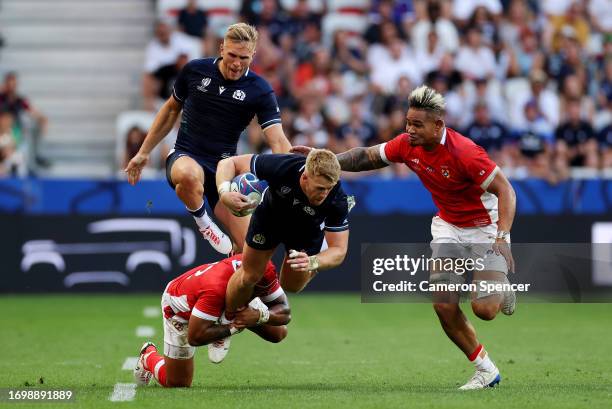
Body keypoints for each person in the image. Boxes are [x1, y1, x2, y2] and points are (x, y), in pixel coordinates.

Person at [292, 85, 517, 390]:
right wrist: (328, 159)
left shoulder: (465, 152)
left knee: (485, 310)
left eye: (417, 124)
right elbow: (367, 157)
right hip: (448, 227)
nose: (409, 130)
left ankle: (500, 287)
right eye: (408, 123)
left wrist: (502, 237)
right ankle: (485, 370)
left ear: (438, 125)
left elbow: (506, 190)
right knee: (443, 303)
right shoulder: (407, 145)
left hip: (486, 228)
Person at [126, 23, 292, 255]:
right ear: (222, 48)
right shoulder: (195, 71)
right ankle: (205, 225)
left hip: (224, 170)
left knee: (250, 252)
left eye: (243, 58)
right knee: (189, 176)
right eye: (232, 55)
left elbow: (278, 140)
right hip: (186, 155)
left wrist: (292, 179)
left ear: (253, 55)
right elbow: (170, 110)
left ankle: (234, 280)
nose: (236, 63)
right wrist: (143, 152)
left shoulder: (260, 90)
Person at [217, 149, 351, 313]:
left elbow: (339, 250)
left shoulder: (338, 199)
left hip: (305, 234)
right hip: (269, 220)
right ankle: (225, 318)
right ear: (305, 177)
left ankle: (317, 252)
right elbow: (228, 163)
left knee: (291, 286)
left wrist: (313, 262)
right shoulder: (285, 166)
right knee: (250, 275)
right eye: (320, 188)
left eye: (329, 188)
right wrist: (224, 193)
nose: (325, 194)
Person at [133, 254, 290, 388]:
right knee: (178, 383)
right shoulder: (214, 289)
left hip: (231, 299)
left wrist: (259, 316)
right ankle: (148, 357)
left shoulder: (264, 268)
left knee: (278, 332)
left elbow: (284, 313)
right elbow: (195, 337)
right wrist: (234, 326)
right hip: (180, 309)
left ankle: (231, 316)